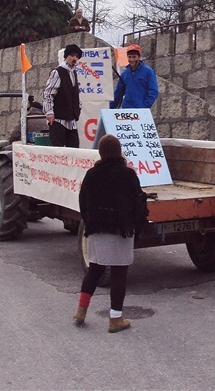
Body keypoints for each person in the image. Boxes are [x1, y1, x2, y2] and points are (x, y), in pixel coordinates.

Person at [73, 134, 148, 332]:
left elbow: (83, 202)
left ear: (101, 152)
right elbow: (138, 203)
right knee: (119, 272)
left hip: (98, 228)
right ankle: (115, 319)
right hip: (120, 230)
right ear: (118, 151)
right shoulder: (128, 174)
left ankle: (81, 310)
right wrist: (137, 226)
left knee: (95, 269)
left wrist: (90, 223)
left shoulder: (92, 174)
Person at [42, 44, 82, 148]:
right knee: (58, 150)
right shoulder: (57, 72)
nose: (75, 59)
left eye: (77, 57)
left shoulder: (74, 73)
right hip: (58, 118)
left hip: (71, 119)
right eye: (72, 55)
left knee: (74, 149)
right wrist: (49, 112)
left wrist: (78, 108)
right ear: (66, 56)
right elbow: (48, 93)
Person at [110, 45, 159, 109]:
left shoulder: (148, 72)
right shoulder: (124, 73)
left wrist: (145, 106)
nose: (131, 59)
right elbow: (118, 93)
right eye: (129, 57)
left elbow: (153, 91)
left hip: (141, 110)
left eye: (134, 57)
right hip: (126, 110)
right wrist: (109, 108)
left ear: (139, 57)